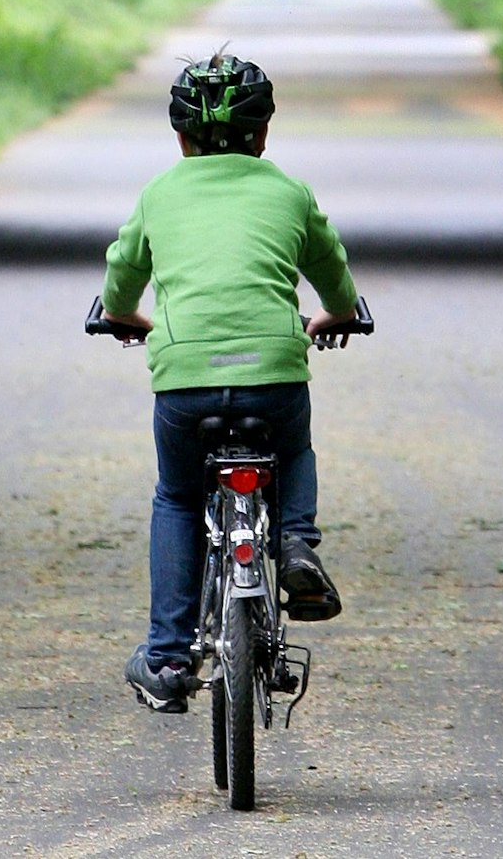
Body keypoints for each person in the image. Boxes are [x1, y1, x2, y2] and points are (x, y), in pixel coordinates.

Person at [101, 51, 361, 714]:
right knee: (293, 448)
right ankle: (296, 539)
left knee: (180, 499)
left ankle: (165, 656)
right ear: (264, 134)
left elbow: (118, 287)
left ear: (181, 138)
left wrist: (131, 320)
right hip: (274, 369)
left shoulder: (160, 193)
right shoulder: (288, 192)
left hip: (185, 378)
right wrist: (331, 315)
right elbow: (335, 278)